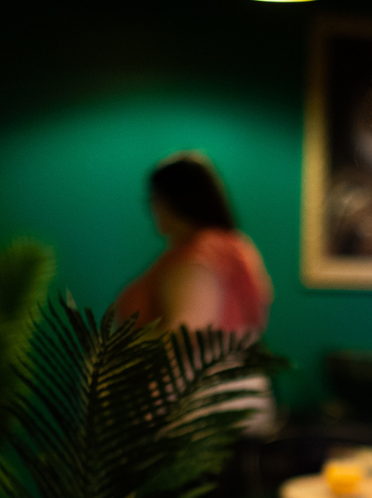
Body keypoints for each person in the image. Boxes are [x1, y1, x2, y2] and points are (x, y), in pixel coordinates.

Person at [117, 152, 275, 436]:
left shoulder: (197, 257)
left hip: (199, 411)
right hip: (241, 396)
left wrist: (117, 356)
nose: (151, 208)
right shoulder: (240, 247)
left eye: (154, 199)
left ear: (173, 199)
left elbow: (187, 332)